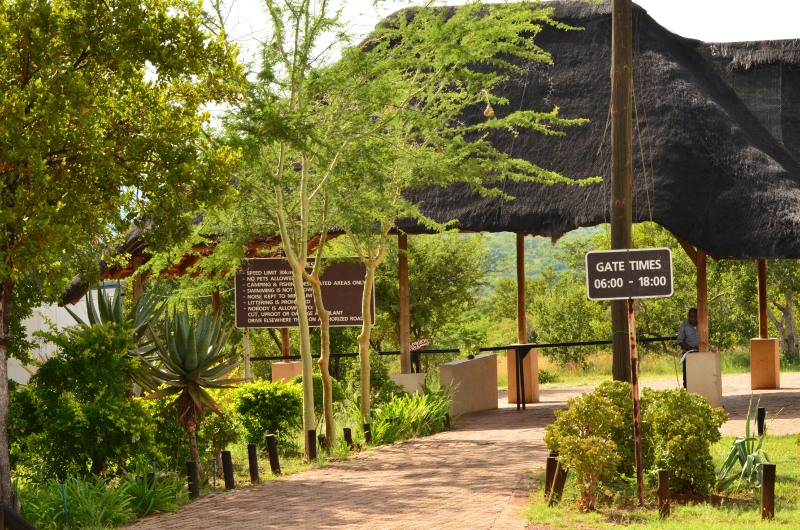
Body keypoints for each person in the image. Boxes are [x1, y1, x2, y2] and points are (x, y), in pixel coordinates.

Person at [677, 308, 699, 388]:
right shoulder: (683, 326)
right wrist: (691, 349)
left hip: (700, 354)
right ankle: (687, 391)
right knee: (688, 376)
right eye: (691, 317)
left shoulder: (701, 324)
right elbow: (680, 341)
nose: (693, 319)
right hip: (688, 355)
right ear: (688, 316)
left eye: (695, 317)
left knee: (699, 374)